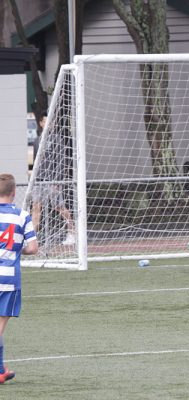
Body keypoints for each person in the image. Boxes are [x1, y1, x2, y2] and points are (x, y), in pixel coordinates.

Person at [0, 173, 39, 384]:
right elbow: (33, 248)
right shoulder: (22, 216)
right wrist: (16, 250)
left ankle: (0, 370)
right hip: (7, 279)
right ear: (14, 193)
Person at [30, 112, 76, 245]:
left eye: (52, 121)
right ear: (41, 123)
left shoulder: (57, 139)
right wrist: (34, 179)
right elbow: (35, 163)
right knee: (36, 207)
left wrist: (58, 180)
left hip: (53, 180)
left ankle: (72, 232)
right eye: (46, 121)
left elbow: (62, 161)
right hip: (39, 180)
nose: (50, 124)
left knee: (59, 207)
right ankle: (32, 239)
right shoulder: (37, 141)